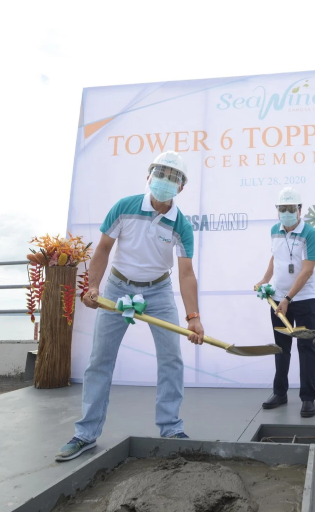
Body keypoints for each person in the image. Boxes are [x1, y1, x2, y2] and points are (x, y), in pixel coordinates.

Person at [56, 150, 204, 462]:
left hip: (158, 292)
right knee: (100, 360)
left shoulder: (181, 225)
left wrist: (193, 317)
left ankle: (171, 429)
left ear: (181, 187)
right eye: (160, 173)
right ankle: (85, 434)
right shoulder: (124, 207)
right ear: (149, 176)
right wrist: (93, 286)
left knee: (171, 359)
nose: (165, 180)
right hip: (118, 287)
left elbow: (186, 273)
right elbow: (103, 250)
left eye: (173, 177)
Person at [255, 187, 315, 418]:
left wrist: (288, 298)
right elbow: (275, 257)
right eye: (282, 209)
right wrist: (265, 279)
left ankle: (308, 398)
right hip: (277, 300)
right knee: (281, 348)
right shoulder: (275, 230)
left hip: (302, 299)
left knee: (306, 347)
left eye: (290, 209)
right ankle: (280, 392)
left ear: (300, 210)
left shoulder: (311, 233)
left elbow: (307, 269)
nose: (286, 213)